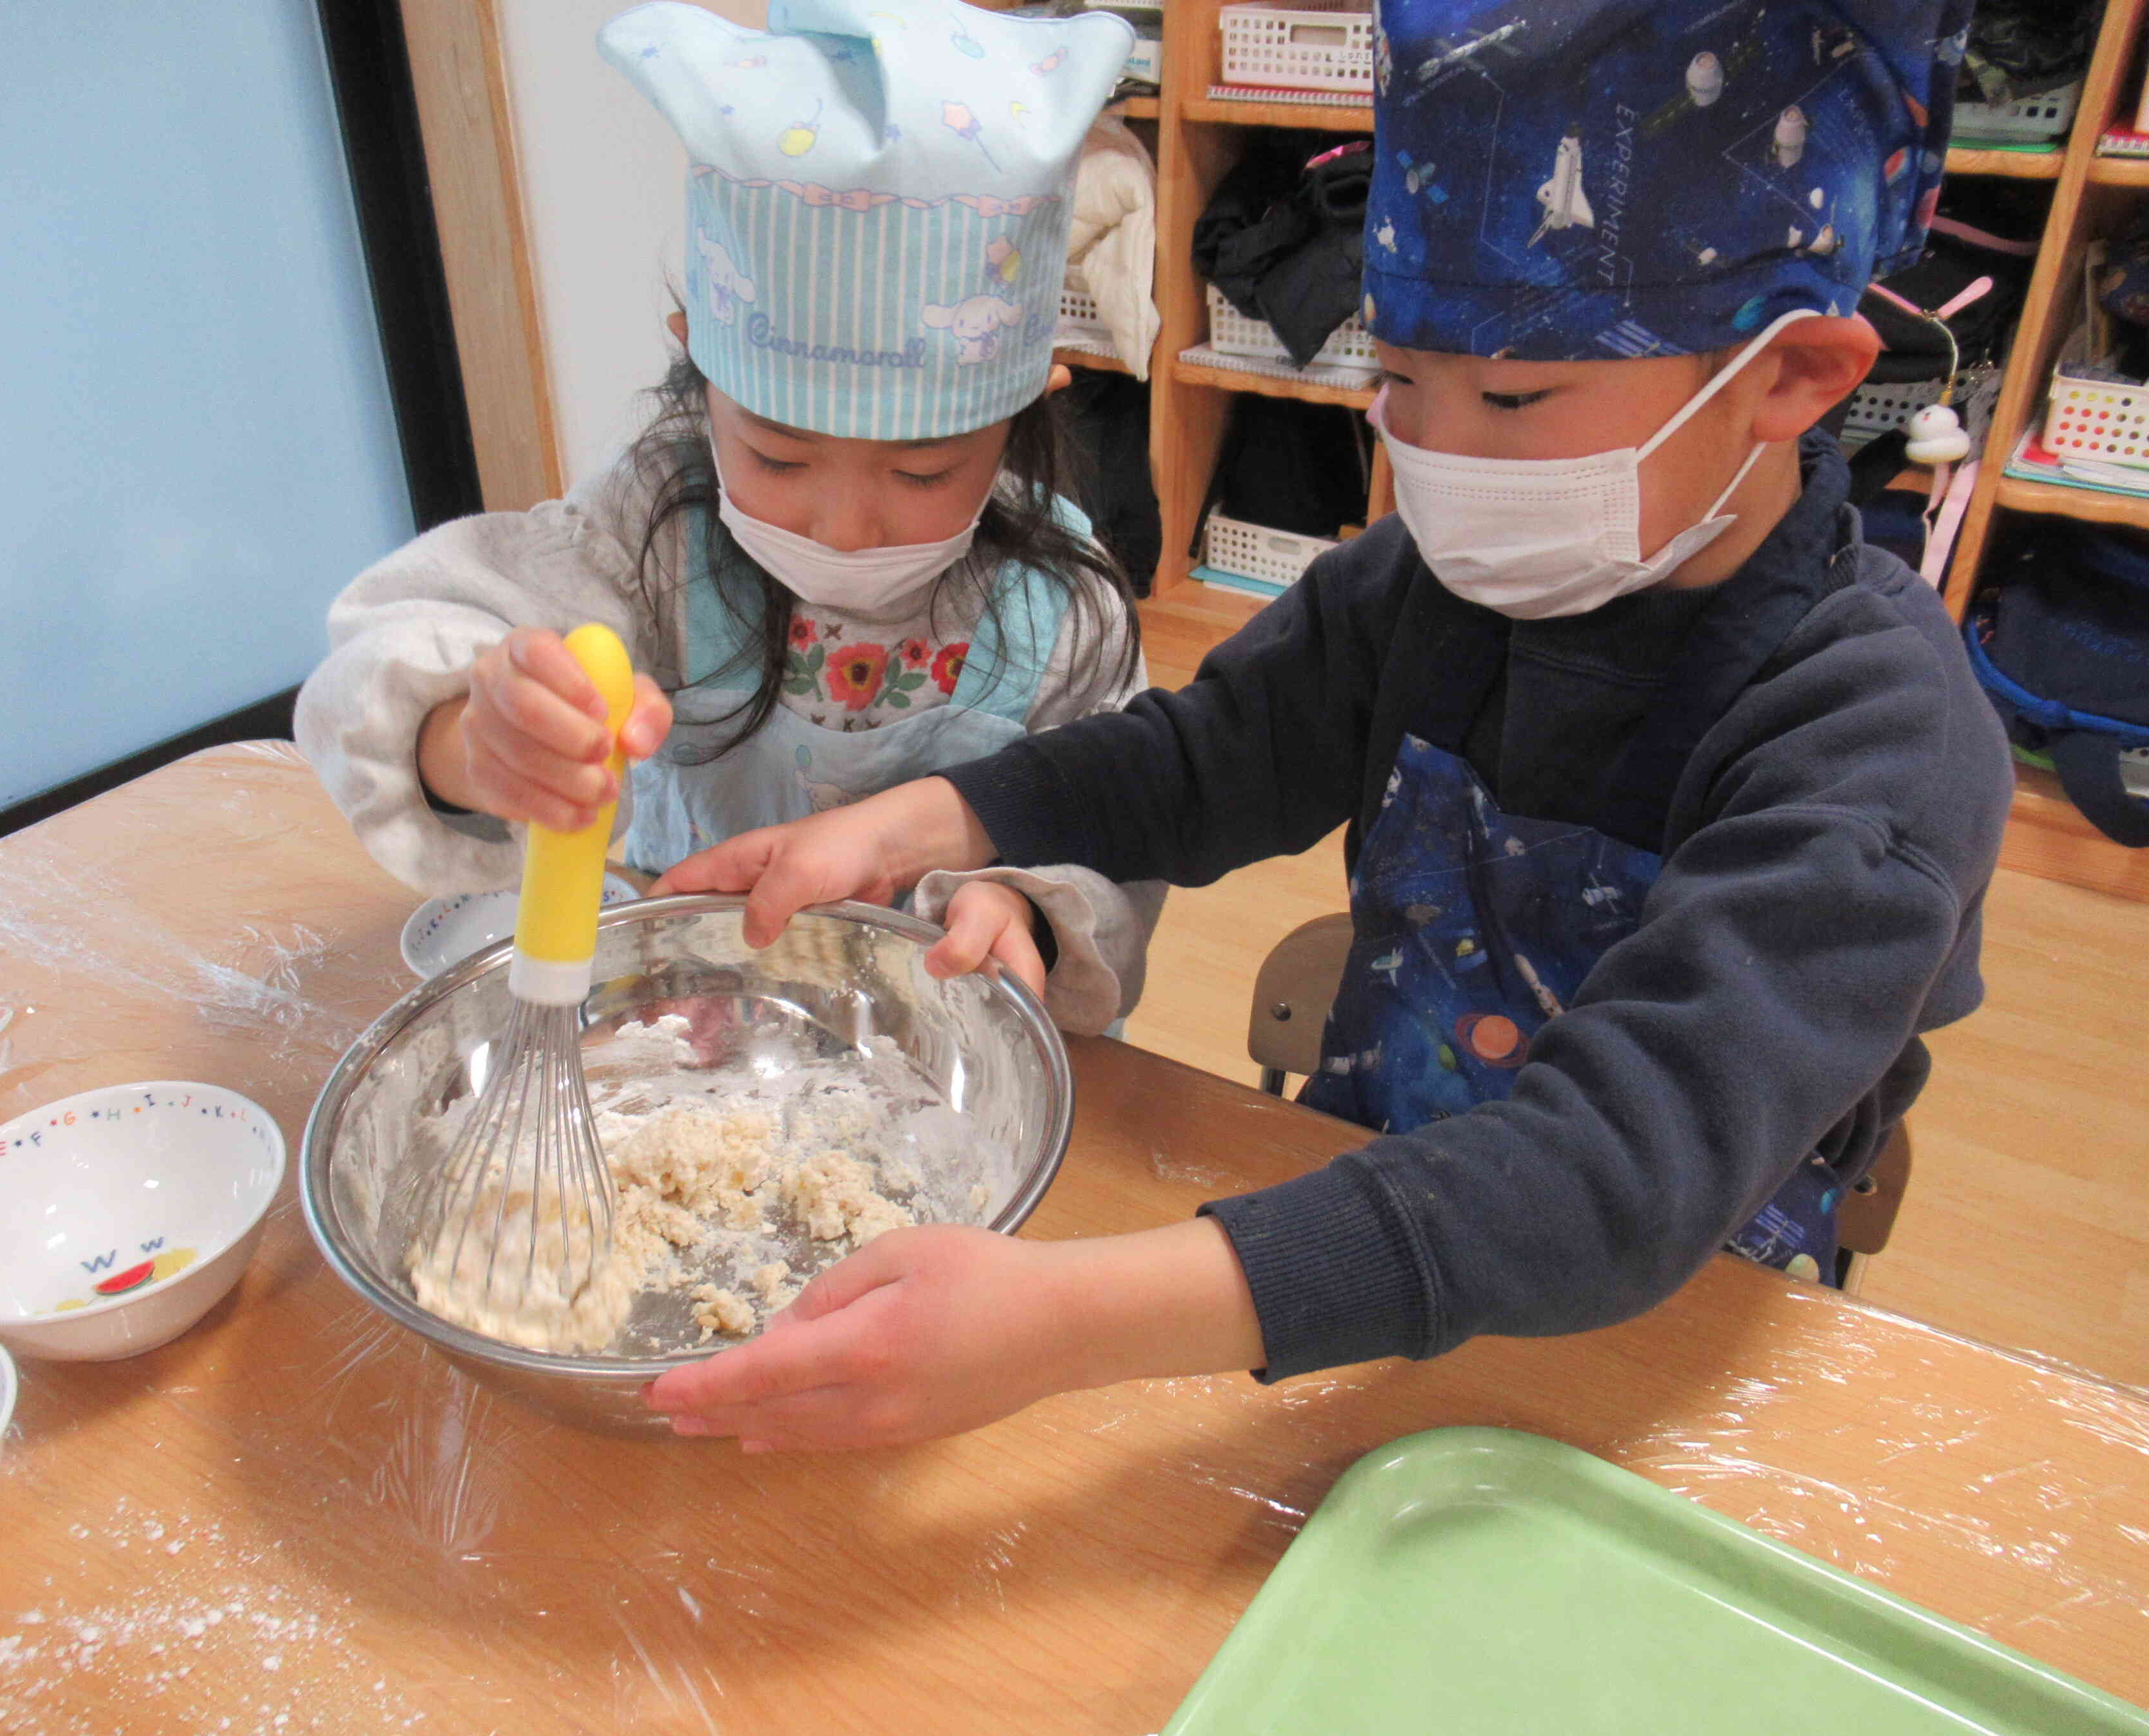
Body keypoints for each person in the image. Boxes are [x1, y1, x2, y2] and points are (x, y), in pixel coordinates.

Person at [639, 0, 2010, 1452]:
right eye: (1398, 384)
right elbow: (1205, 761)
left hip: (1668, 1334)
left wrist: (1067, 1321)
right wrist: (926, 820)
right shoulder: (1424, 595)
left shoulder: (1879, 741)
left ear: (1792, 378)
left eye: (1513, 395)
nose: (1431, 457)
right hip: (1363, 1251)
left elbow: (1616, 1175)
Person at [295, 0, 1160, 1033]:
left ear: (1026, 404)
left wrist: (1025, 905)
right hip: (686, 1031)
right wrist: (472, 741)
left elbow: (1117, 829)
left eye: (923, 472)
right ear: (698, 365)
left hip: (936, 1040)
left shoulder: (1063, 610)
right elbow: (395, 650)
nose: (844, 526)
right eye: (779, 456)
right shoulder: (650, 531)